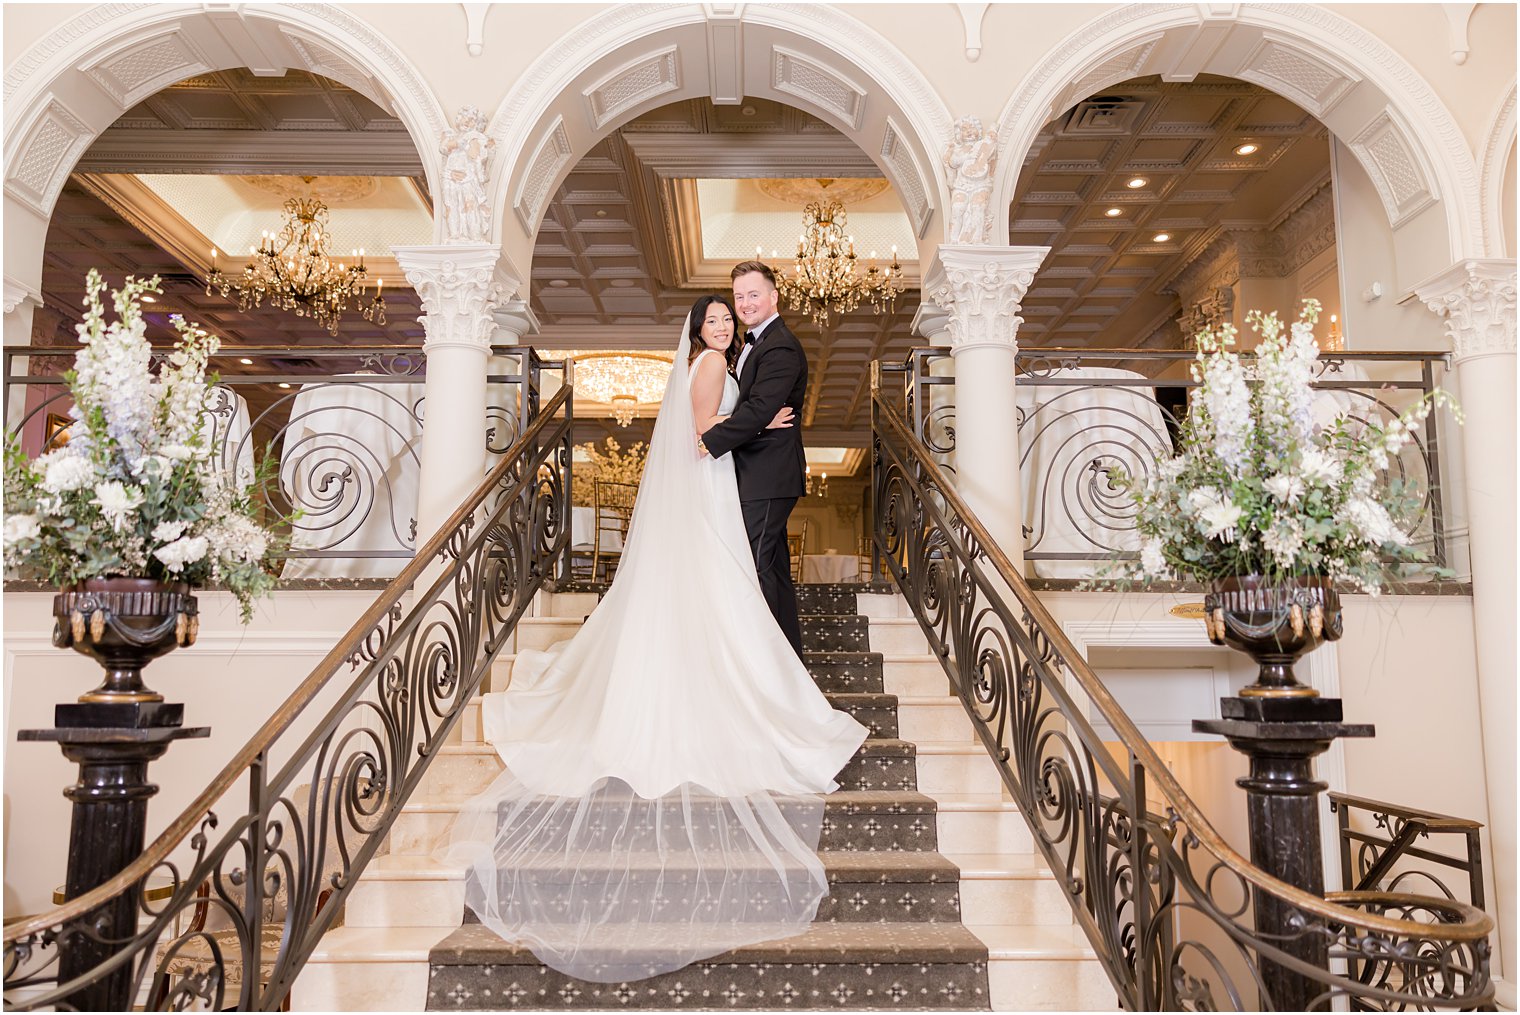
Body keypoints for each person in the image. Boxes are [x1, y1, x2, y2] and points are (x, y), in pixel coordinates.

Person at [444, 293, 868, 984]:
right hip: (708, 486)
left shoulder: (727, 358)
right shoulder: (708, 364)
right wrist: (759, 422)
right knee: (722, 596)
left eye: (730, 319)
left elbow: (717, 429)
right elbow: (702, 435)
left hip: (715, 491)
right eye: (716, 320)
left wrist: (756, 422)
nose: (724, 327)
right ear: (698, 331)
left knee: (724, 596)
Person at [699, 262, 809, 657]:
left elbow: (761, 407)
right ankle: (787, 666)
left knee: (752, 567)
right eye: (739, 296)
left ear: (774, 296)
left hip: (768, 475)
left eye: (753, 294)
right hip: (757, 472)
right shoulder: (752, 343)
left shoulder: (779, 344)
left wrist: (707, 441)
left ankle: (761, 665)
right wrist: (757, 420)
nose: (745, 304)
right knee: (773, 571)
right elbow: (757, 411)